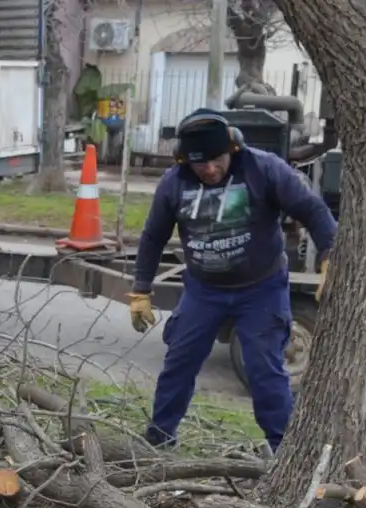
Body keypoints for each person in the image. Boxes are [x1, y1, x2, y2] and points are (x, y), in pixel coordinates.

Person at [128, 108, 337, 454]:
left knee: (265, 370)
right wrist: (140, 289)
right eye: (199, 163)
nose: (209, 169)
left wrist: (332, 255)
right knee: (179, 361)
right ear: (184, 160)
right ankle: (160, 437)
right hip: (203, 290)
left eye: (216, 160)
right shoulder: (174, 183)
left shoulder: (263, 169)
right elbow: (153, 237)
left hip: (261, 288)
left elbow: (312, 210)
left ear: (233, 148)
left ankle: (282, 449)